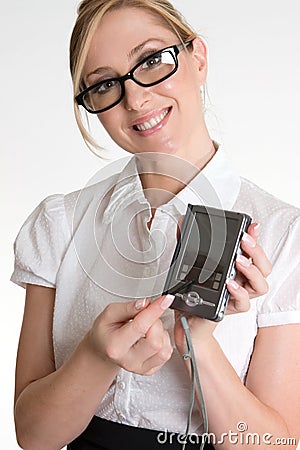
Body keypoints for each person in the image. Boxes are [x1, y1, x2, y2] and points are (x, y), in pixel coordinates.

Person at [11, 1, 300, 449]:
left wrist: (197, 341)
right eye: (104, 84)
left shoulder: (283, 233)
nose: (136, 98)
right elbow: (33, 436)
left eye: (151, 61)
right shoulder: (60, 223)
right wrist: (95, 355)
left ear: (198, 58)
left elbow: (275, 444)